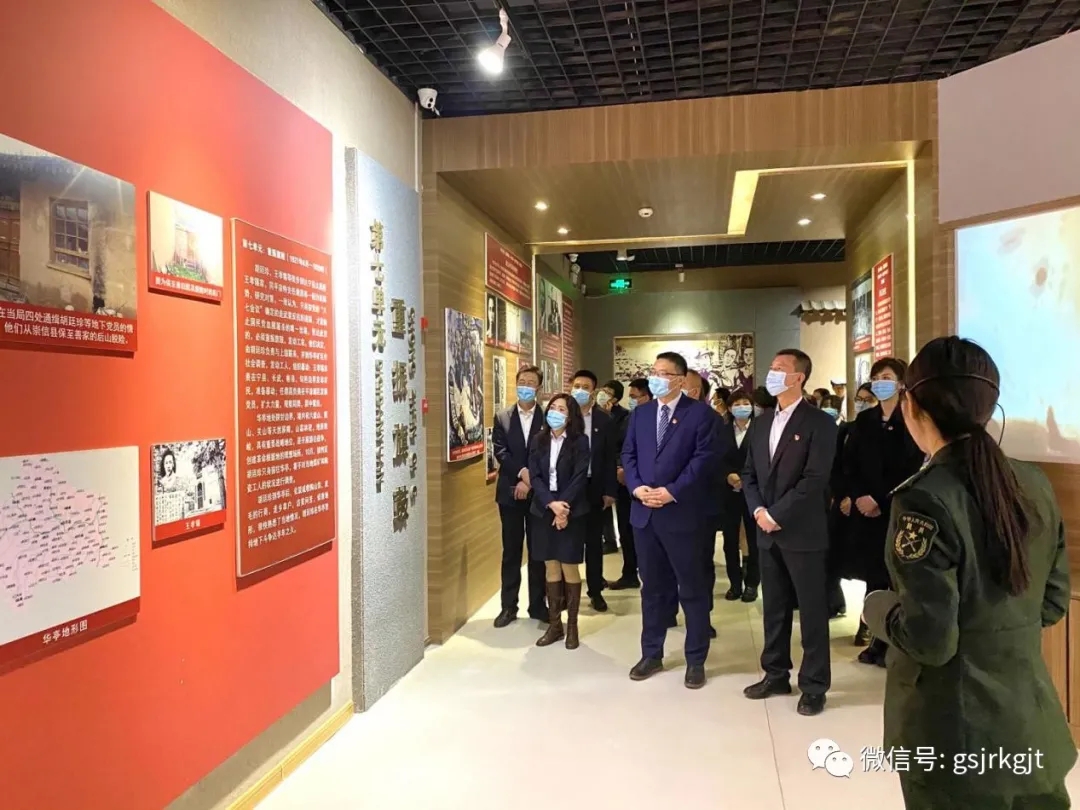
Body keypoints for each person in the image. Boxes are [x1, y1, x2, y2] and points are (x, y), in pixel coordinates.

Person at [862, 337, 1075, 809]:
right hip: (1030, 722)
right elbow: (1053, 602)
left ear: (911, 405)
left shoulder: (923, 498)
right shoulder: (1034, 482)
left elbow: (931, 640)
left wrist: (877, 609)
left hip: (952, 735)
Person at [741, 349, 838, 716]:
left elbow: (815, 479)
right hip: (766, 530)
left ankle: (814, 685)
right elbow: (749, 473)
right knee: (774, 608)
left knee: (811, 612)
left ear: (799, 377)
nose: (772, 373)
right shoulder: (762, 422)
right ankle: (775, 673)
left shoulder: (820, 423)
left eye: (780, 368)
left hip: (802, 532)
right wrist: (758, 511)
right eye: (772, 367)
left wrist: (777, 514)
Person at [622, 352, 721, 689]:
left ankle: (696, 660)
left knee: (692, 589)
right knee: (652, 589)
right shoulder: (641, 414)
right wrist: (637, 488)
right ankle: (651, 653)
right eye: (654, 371)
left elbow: (703, 460)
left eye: (664, 373)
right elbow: (629, 454)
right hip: (645, 514)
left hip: (682, 515)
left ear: (680, 378)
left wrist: (671, 491)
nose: (657, 377)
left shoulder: (701, 415)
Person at [839, 358, 925, 658]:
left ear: (901, 383)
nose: (880, 382)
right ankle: (873, 630)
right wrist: (857, 495)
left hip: (896, 508)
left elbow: (912, 468)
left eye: (886, 377)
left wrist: (879, 498)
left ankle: (895, 637)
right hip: (866, 512)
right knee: (874, 572)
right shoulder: (865, 421)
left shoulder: (913, 419)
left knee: (896, 573)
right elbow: (849, 463)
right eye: (876, 377)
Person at [528, 394, 591, 649]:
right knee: (550, 566)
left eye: (561, 409)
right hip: (544, 510)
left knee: (569, 566)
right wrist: (551, 505)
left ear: (571, 415)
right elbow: (535, 476)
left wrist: (563, 508)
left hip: (571, 510)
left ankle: (572, 626)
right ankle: (555, 626)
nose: (555, 412)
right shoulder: (538, 440)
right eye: (552, 407)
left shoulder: (580, 441)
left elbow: (579, 476)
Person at [491, 365, 547, 628]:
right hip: (510, 493)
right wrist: (522, 474)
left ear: (539, 387)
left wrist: (531, 479)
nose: (525, 385)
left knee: (538, 552)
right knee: (511, 551)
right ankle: (508, 606)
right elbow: (501, 451)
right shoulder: (502, 417)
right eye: (522, 381)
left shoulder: (548, 417)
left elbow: (549, 453)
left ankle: (537, 604)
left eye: (531, 382)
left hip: (539, 494)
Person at [569, 369, 618, 612]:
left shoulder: (604, 420)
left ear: (593, 391)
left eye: (585, 387)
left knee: (594, 543)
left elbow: (610, 458)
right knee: (568, 542)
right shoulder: (562, 415)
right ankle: (567, 592)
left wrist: (610, 490)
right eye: (576, 385)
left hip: (593, 487)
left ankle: (595, 591)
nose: (580, 390)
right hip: (568, 489)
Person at [683, 369, 725, 637]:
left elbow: (712, 462)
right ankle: (667, 611)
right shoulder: (657, 417)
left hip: (700, 507)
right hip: (665, 506)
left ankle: (700, 618)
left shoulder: (712, 421)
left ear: (694, 391)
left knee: (700, 565)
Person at [609, 379, 652, 588]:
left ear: (647, 397)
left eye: (635, 397)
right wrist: (620, 467)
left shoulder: (658, 419)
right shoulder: (629, 418)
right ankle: (629, 573)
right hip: (625, 484)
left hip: (649, 487)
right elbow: (619, 447)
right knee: (626, 531)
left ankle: (651, 575)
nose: (632, 401)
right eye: (631, 397)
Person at [719, 390, 759, 602]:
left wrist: (746, 478)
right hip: (728, 492)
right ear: (729, 407)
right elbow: (715, 457)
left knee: (754, 539)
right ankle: (735, 582)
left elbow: (765, 459)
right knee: (730, 539)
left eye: (746, 403)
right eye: (737, 403)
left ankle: (752, 583)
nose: (742, 407)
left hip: (754, 492)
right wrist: (727, 475)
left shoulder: (761, 429)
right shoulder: (722, 430)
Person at [597, 380, 627, 554]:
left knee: (616, 504)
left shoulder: (623, 415)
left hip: (615, 465)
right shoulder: (595, 411)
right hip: (599, 465)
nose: (603, 394)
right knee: (603, 506)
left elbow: (617, 440)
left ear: (615, 399)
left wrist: (608, 416)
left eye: (608, 392)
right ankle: (607, 539)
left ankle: (617, 540)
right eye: (603, 390)